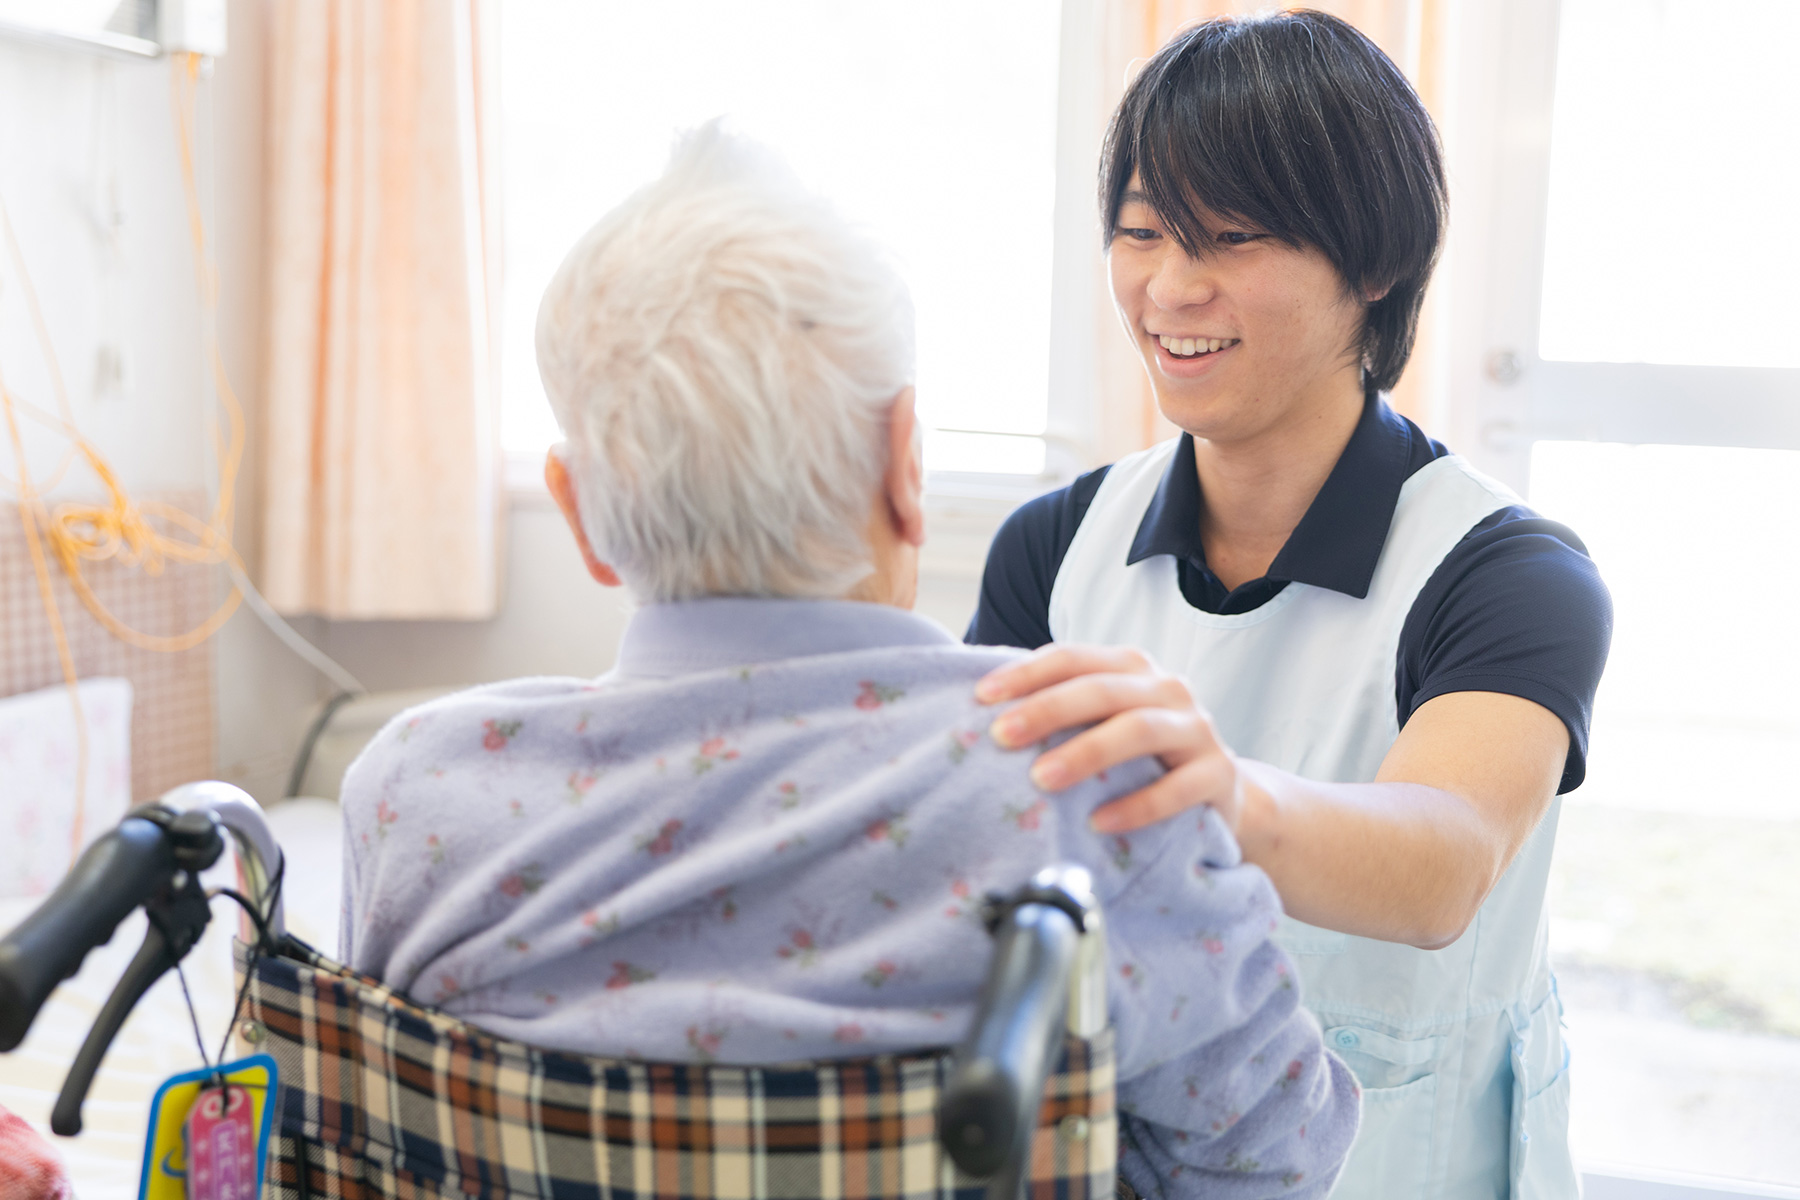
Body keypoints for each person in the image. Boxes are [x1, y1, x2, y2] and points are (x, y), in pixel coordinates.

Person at [339, 124, 1359, 1199]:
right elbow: (1278, 1154)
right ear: (904, 464)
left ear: (577, 511)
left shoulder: (414, 793)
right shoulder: (1087, 785)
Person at [965, 11, 1611, 1198]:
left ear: (1374, 262)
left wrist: (1216, 793)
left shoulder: (1510, 574)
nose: (1168, 286)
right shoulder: (1054, 548)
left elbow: (1440, 870)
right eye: (1143, 230)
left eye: (1232, 237)